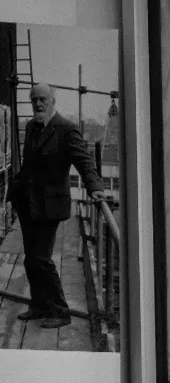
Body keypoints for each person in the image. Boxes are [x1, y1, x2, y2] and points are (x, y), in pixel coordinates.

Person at [6, 84, 107, 328]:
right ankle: (39, 305)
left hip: (50, 206)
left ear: (53, 101)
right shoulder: (31, 127)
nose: (38, 104)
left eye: (42, 100)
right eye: (34, 101)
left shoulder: (66, 129)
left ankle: (61, 311)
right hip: (28, 203)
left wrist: (95, 187)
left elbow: (83, 160)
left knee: (42, 259)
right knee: (31, 259)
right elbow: (28, 164)